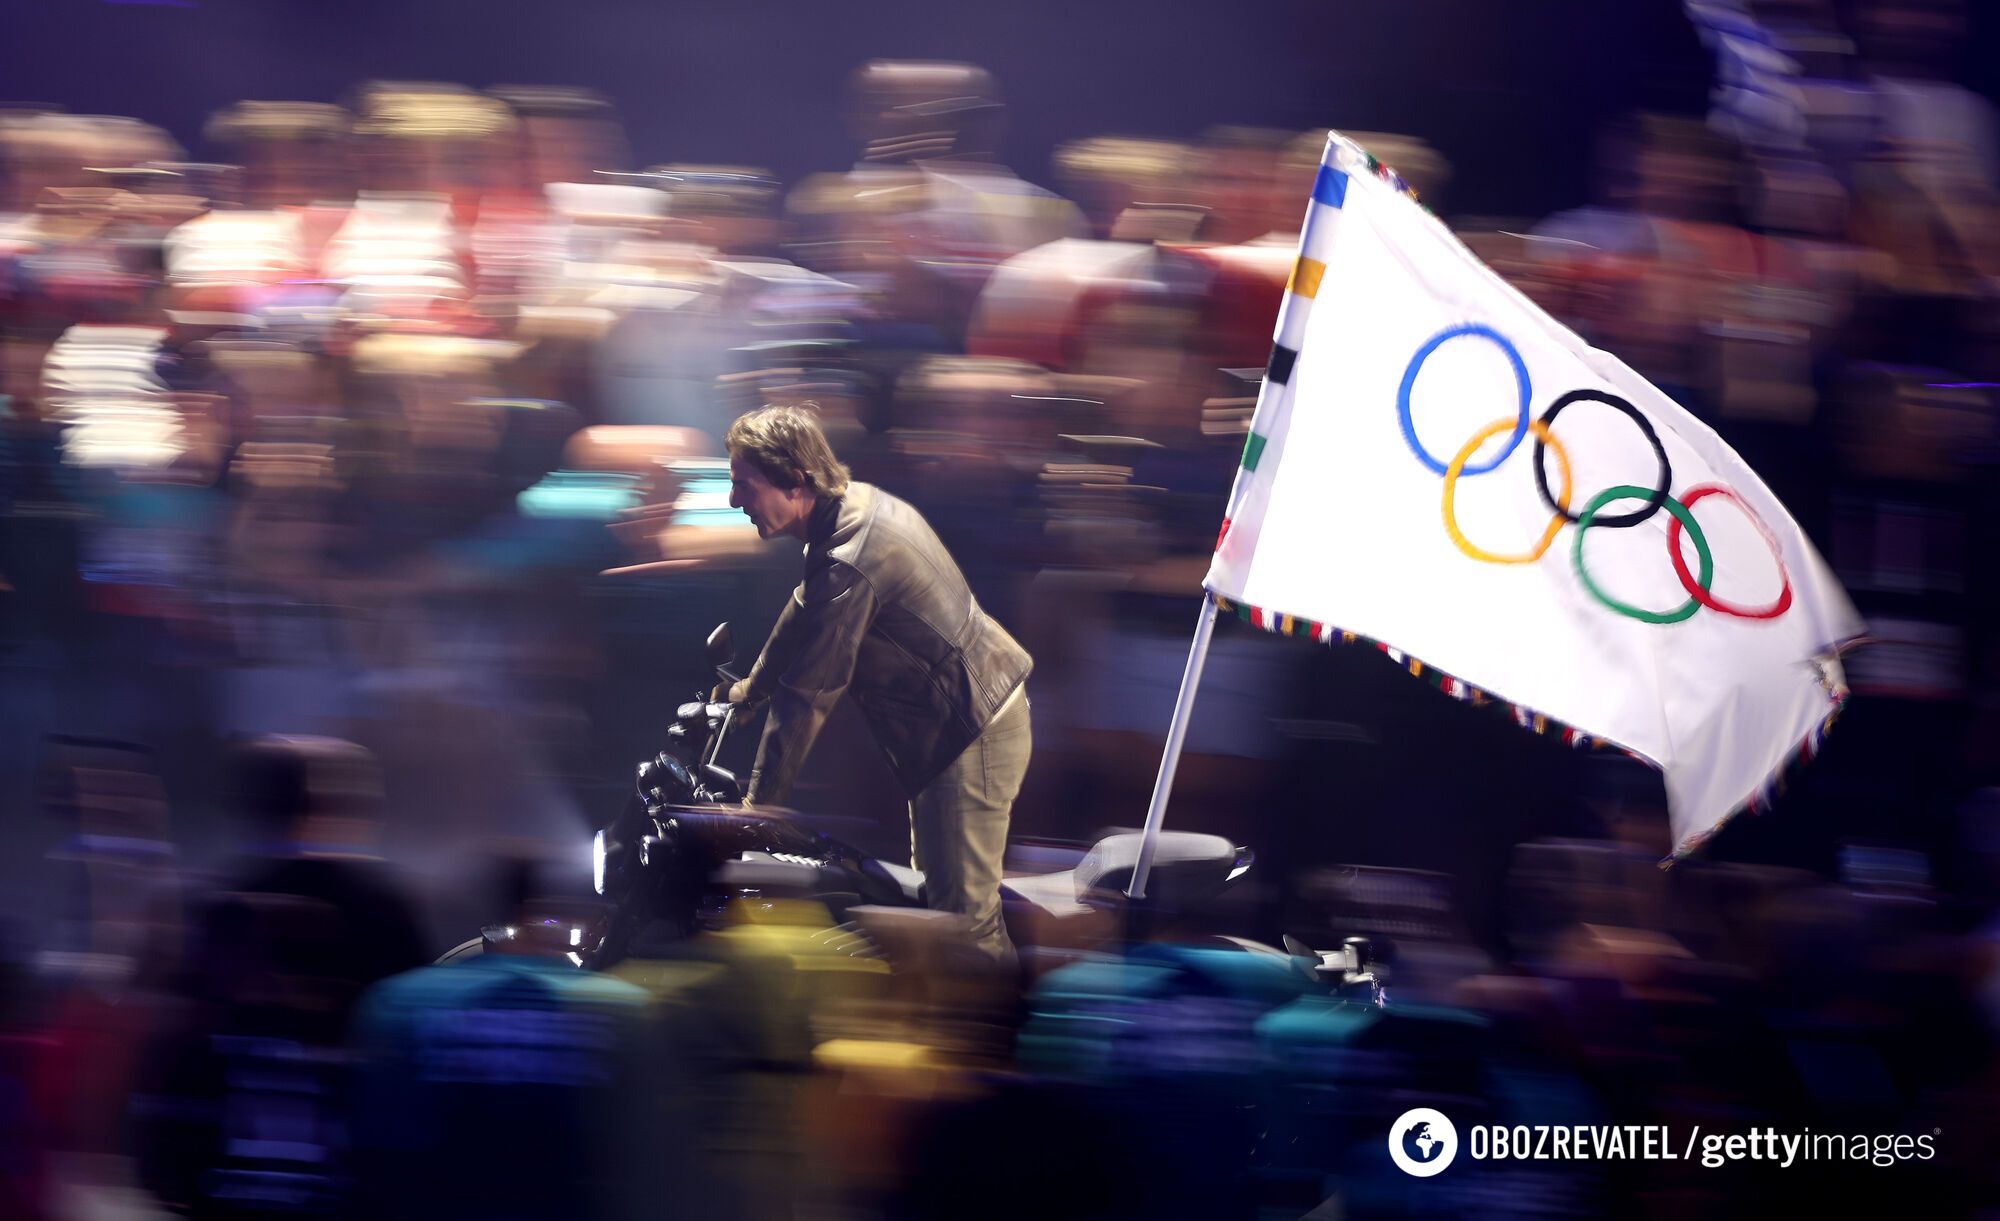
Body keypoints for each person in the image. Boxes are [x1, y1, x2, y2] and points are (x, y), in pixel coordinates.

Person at [720, 404, 1032, 961]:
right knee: (934, 910)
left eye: (744, 485)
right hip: (959, 728)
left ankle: (1001, 1042)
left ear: (794, 481)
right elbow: (804, 609)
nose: (733, 501)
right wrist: (750, 690)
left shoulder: (851, 557)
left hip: (972, 733)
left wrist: (756, 810)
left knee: (964, 930)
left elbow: (809, 695)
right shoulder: (848, 511)